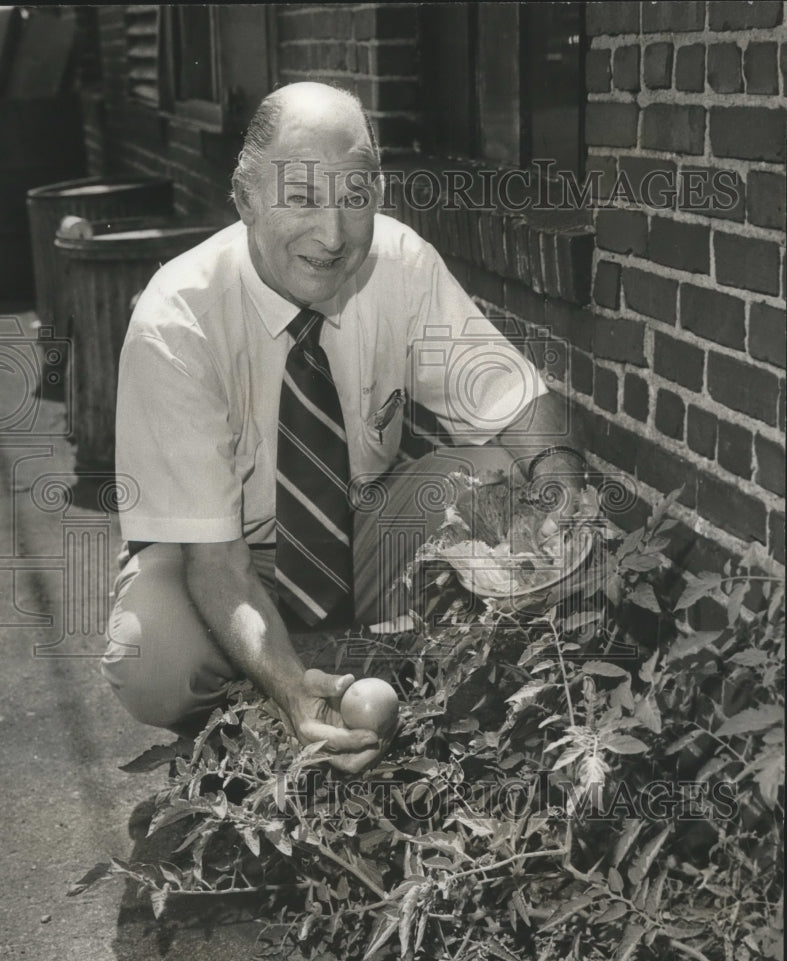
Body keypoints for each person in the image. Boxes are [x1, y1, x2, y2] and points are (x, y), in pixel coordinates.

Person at [101, 81, 586, 773]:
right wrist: (290, 691)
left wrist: (558, 497)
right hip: (221, 550)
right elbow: (217, 563)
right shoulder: (177, 320)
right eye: (299, 197)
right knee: (149, 652)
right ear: (244, 199)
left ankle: (386, 678)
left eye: (354, 198)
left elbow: (514, 400)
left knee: (494, 483)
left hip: (356, 527)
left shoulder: (400, 264)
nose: (331, 235)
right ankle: (263, 709)